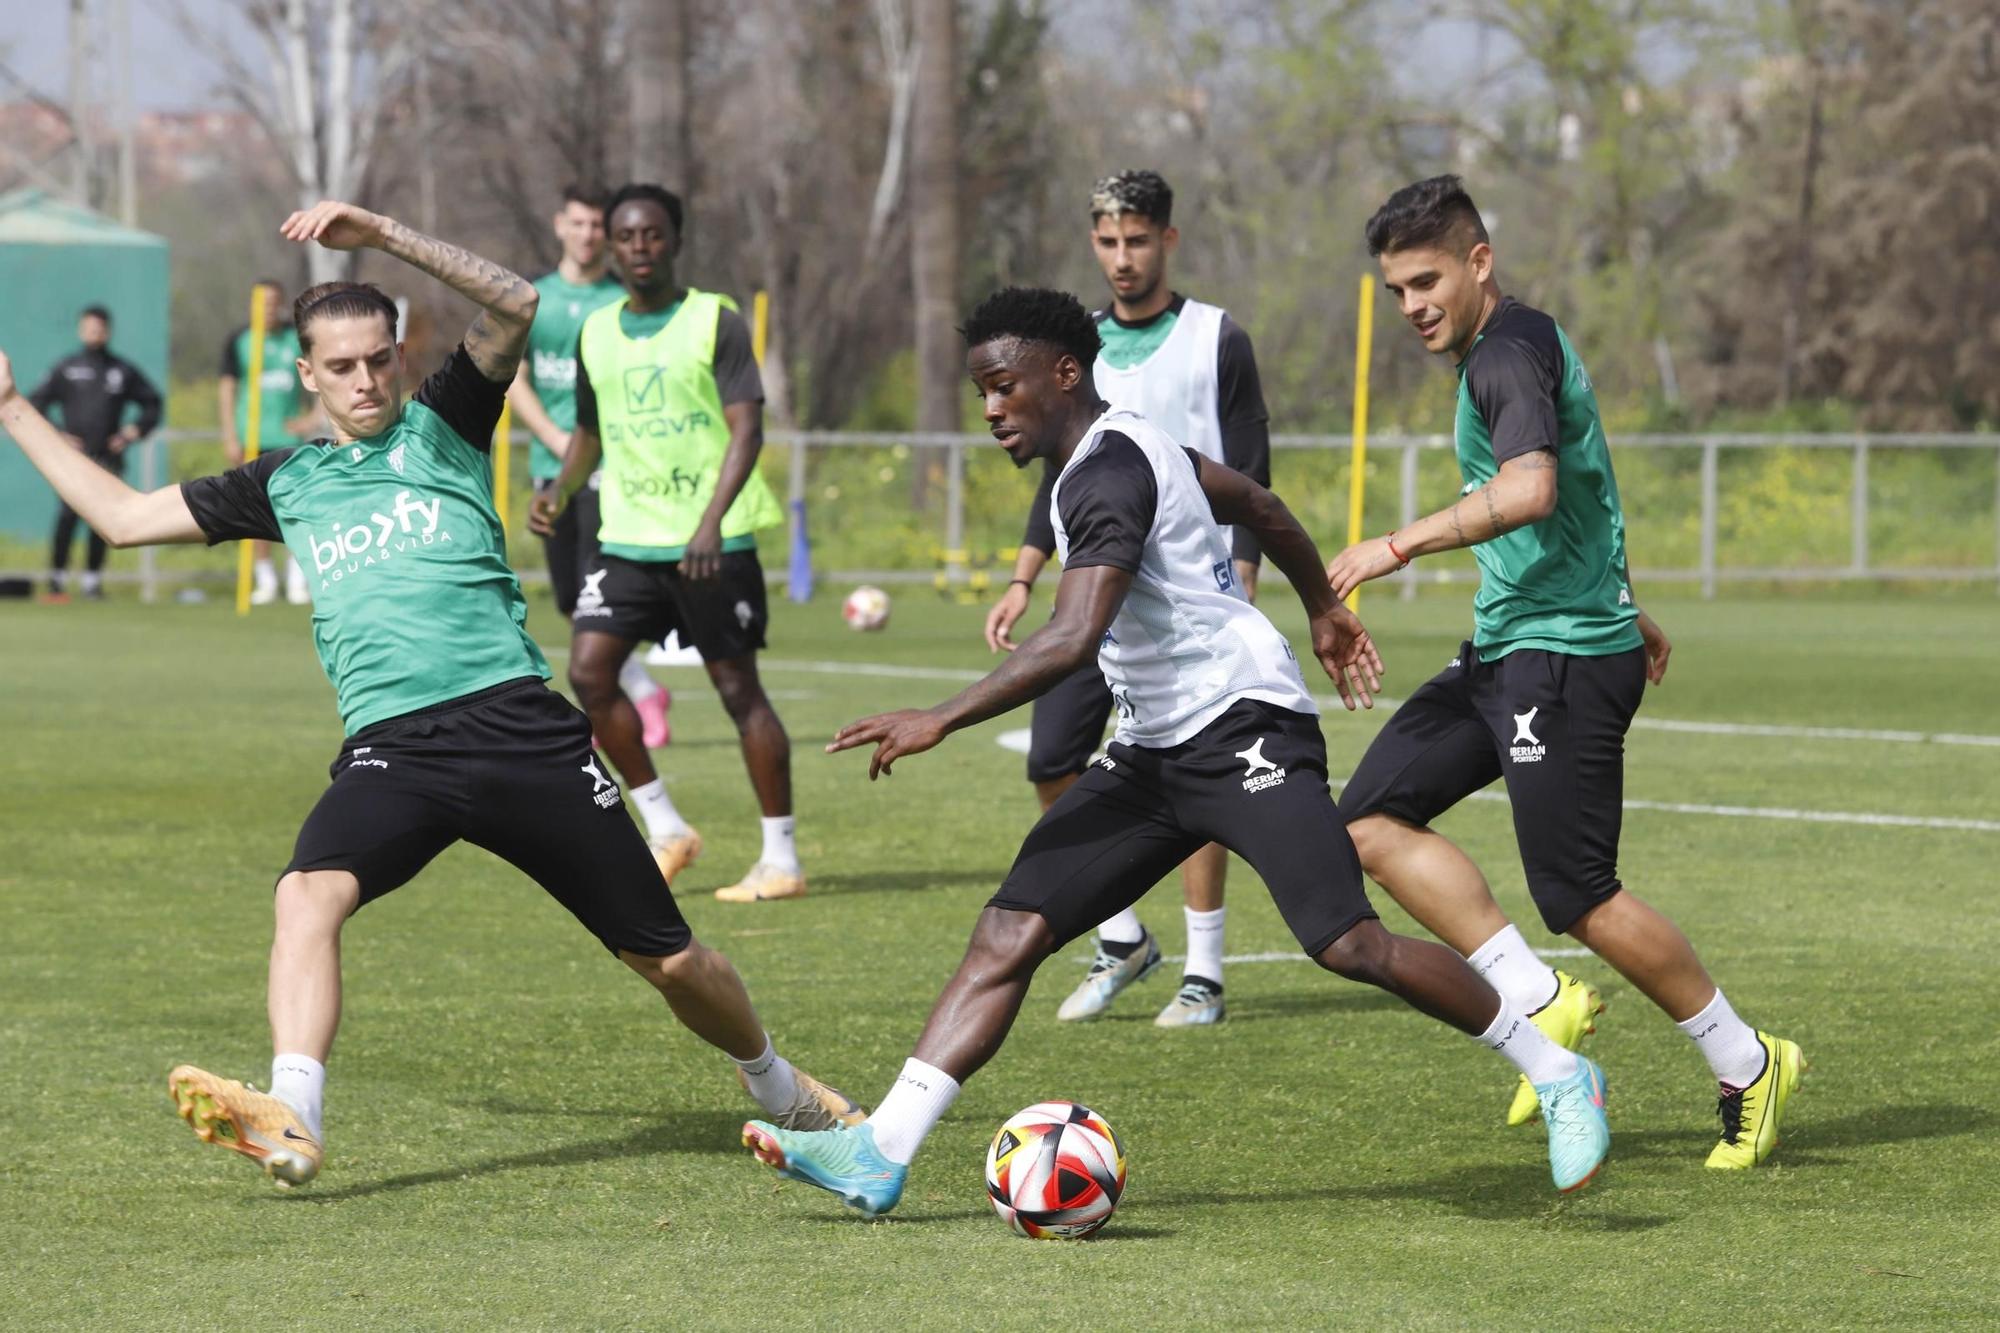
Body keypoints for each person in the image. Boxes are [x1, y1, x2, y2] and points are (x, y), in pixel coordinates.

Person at [0, 200, 860, 1190]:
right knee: (304, 895)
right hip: (393, 752)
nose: (366, 380)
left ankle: (779, 1082)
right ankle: (294, 1119)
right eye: (343, 365)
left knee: (664, 960)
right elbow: (118, 514)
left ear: (397, 356)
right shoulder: (286, 482)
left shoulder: (445, 425)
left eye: (379, 358)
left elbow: (515, 300)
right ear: (306, 374)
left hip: (520, 734)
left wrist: (386, 236)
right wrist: (14, 407)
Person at [739, 286, 1616, 1216]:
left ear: (1063, 373)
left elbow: (1073, 636)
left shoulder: (1105, 473)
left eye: (1003, 386)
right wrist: (1322, 605)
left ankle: (1559, 1072)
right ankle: (882, 1150)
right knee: (1009, 931)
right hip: (1155, 747)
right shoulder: (1125, 444)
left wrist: (939, 717)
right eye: (980, 392)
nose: (991, 408)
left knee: (1350, 941)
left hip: (1244, 728)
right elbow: (1259, 503)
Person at [1325, 175, 1804, 1169]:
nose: (1412, 304)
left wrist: (1393, 545)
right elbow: (1581, 487)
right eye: (1396, 289)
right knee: (1368, 819)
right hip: (1519, 644)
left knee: (1578, 892)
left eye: (1425, 280)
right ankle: (1535, 996)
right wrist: (1630, 602)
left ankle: (1747, 1059)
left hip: (1558, 661)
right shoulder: (1515, 345)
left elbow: (1534, 487)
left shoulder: (1501, 357)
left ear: (1477, 262)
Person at [985, 169, 1272, 1028]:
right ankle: (1122, 938)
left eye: (1137, 239)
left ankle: (1206, 970)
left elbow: (1252, 471)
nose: (1122, 256)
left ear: (1167, 241)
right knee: (1049, 760)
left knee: (1204, 768)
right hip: (1095, 594)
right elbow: (1061, 469)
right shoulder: (1073, 349)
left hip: (1193, 594)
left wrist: (1248, 571)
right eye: (1107, 241)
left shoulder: (1216, 337)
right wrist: (1023, 574)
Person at [530, 183, 803, 904]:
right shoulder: (597, 331)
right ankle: (665, 828)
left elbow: (748, 428)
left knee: (737, 690)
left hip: (710, 542)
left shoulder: (715, 320)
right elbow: (588, 433)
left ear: (675, 241)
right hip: (626, 538)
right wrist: (560, 488)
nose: (639, 247)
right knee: (589, 674)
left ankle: (781, 857)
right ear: (613, 247)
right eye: (627, 236)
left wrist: (712, 521)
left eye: (653, 234)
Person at [508, 184, 672, 748]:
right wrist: (555, 439)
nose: (586, 234)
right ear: (560, 225)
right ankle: (643, 689)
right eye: (577, 223)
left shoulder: (620, 300)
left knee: (593, 592)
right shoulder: (532, 297)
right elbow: (515, 377)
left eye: (595, 226)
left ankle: (616, 705)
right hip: (549, 465)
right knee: (566, 597)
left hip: (608, 469)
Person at [27, 305, 162, 601]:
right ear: (81, 329)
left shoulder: (121, 370)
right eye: (90, 327)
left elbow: (153, 403)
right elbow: (35, 403)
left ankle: (92, 582)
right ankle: (57, 580)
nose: (95, 332)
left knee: (103, 520)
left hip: (107, 459)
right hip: (72, 460)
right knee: (66, 517)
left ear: (107, 331)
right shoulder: (66, 367)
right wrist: (59, 435)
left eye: (100, 328)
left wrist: (131, 433)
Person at [219, 278, 317, 604]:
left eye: (274, 301)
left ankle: (297, 579)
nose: (268, 308)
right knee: (256, 509)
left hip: (287, 438)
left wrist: (312, 418)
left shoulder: (296, 339)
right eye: (262, 302)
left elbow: (326, 374)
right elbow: (227, 390)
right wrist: (230, 434)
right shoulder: (240, 340)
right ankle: (265, 579)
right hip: (252, 438)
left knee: (294, 508)